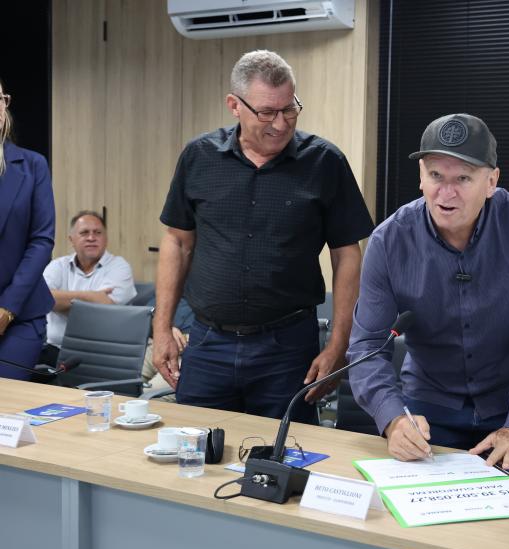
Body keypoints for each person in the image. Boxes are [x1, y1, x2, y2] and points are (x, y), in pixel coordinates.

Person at [154, 50, 374, 424]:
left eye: (289, 109)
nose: (280, 123)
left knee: (286, 463)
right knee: (196, 457)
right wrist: (161, 329)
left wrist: (339, 344)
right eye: (267, 112)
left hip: (287, 348)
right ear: (234, 106)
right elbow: (177, 242)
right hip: (207, 343)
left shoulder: (324, 162)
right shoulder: (199, 157)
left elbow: (347, 254)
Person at [347, 113, 509, 469]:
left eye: (463, 178)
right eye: (436, 175)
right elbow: (367, 345)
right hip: (426, 411)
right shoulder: (388, 241)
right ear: (421, 176)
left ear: (491, 181)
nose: (446, 193)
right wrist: (392, 418)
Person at [0, 79, 56, 381]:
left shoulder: (33, 166)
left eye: (0, 98)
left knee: (5, 403)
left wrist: (7, 308)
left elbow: (41, 240)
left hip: (19, 313)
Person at [40, 210, 137, 365]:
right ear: (71, 239)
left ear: (105, 239)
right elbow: (41, 298)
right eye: (84, 233)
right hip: (55, 349)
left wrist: (60, 301)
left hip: (102, 354)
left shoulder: (119, 266)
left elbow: (105, 308)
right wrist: (93, 296)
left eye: (97, 232)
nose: (91, 238)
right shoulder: (58, 265)